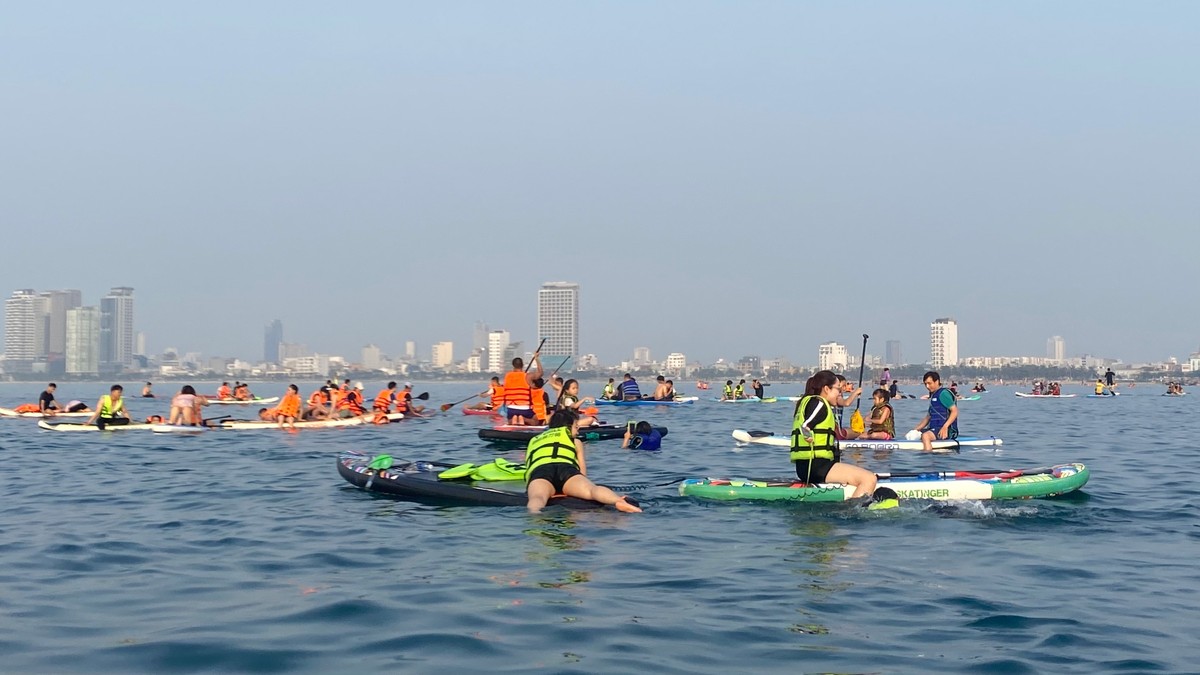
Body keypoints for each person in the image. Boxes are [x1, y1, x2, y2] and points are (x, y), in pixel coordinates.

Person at [524, 409, 642, 514]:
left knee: (538, 497)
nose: (578, 429)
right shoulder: (575, 441)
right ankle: (618, 501)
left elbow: (529, 467)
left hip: (541, 471)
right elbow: (582, 471)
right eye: (576, 426)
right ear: (568, 427)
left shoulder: (534, 440)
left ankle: (535, 514)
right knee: (592, 490)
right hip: (566, 470)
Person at [791, 370, 878, 497]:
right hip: (816, 467)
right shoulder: (819, 403)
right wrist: (808, 436)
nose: (840, 393)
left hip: (807, 467)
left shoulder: (808, 402)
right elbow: (805, 426)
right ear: (826, 389)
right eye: (838, 389)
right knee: (869, 479)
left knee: (855, 475)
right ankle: (853, 513)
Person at [911, 371, 959, 452]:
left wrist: (945, 427)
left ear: (937, 381)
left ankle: (928, 456)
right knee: (914, 435)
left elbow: (955, 411)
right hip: (934, 428)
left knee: (925, 436)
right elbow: (928, 417)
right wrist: (914, 430)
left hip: (946, 430)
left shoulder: (943, 394)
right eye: (925, 384)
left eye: (929, 383)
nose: (927, 386)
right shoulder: (934, 395)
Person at [503, 355, 544, 425]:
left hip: (510, 408)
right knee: (536, 421)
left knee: (510, 421)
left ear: (513, 365)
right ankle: (523, 418)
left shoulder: (507, 376)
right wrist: (536, 359)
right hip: (524, 408)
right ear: (523, 365)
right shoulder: (527, 376)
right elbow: (540, 373)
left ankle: (514, 419)